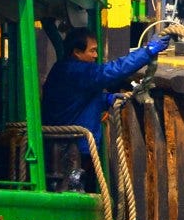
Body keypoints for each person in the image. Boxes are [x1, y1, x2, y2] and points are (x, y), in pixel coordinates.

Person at [41, 27, 170, 190]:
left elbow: (71, 101)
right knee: (72, 189)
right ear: (77, 52)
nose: (96, 55)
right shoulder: (76, 71)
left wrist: (105, 99)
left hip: (69, 148)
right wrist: (147, 52)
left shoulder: (65, 69)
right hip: (69, 149)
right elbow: (112, 71)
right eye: (92, 51)